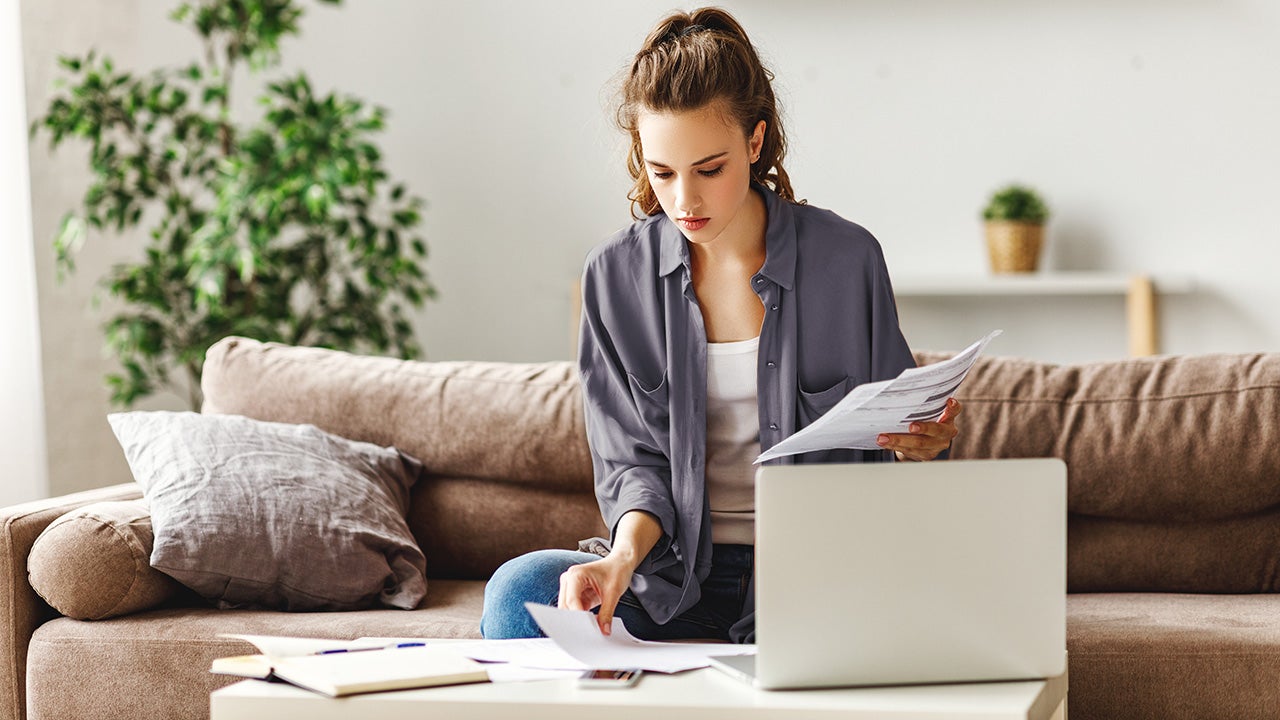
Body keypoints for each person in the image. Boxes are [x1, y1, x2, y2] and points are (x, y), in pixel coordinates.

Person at [480, 6, 961, 644]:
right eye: (663, 173)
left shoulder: (848, 261)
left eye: (710, 169)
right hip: (670, 579)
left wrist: (924, 444)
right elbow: (633, 468)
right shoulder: (612, 278)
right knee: (521, 591)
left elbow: (900, 436)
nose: (685, 200)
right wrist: (620, 559)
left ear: (755, 143)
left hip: (818, 580)